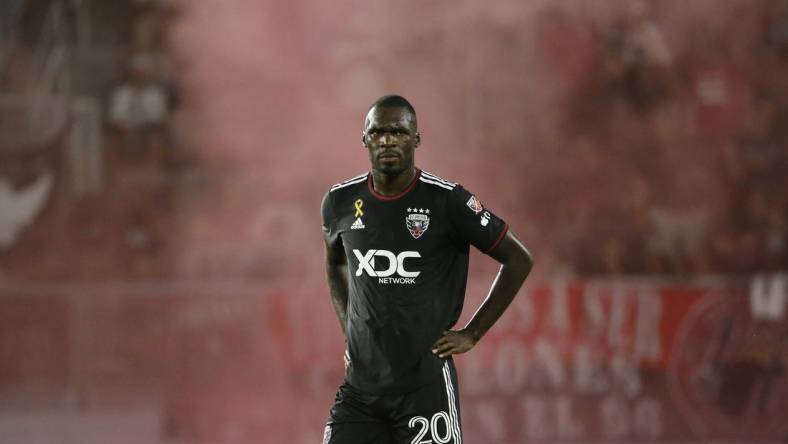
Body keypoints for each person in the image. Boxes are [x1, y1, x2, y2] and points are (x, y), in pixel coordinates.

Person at [320, 94, 534, 444]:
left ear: (416, 139)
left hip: (425, 389)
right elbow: (334, 262)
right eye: (377, 132)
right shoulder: (340, 202)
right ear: (364, 139)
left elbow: (519, 259)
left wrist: (473, 333)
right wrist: (350, 332)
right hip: (361, 391)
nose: (387, 140)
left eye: (398, 132)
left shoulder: (448, 201)